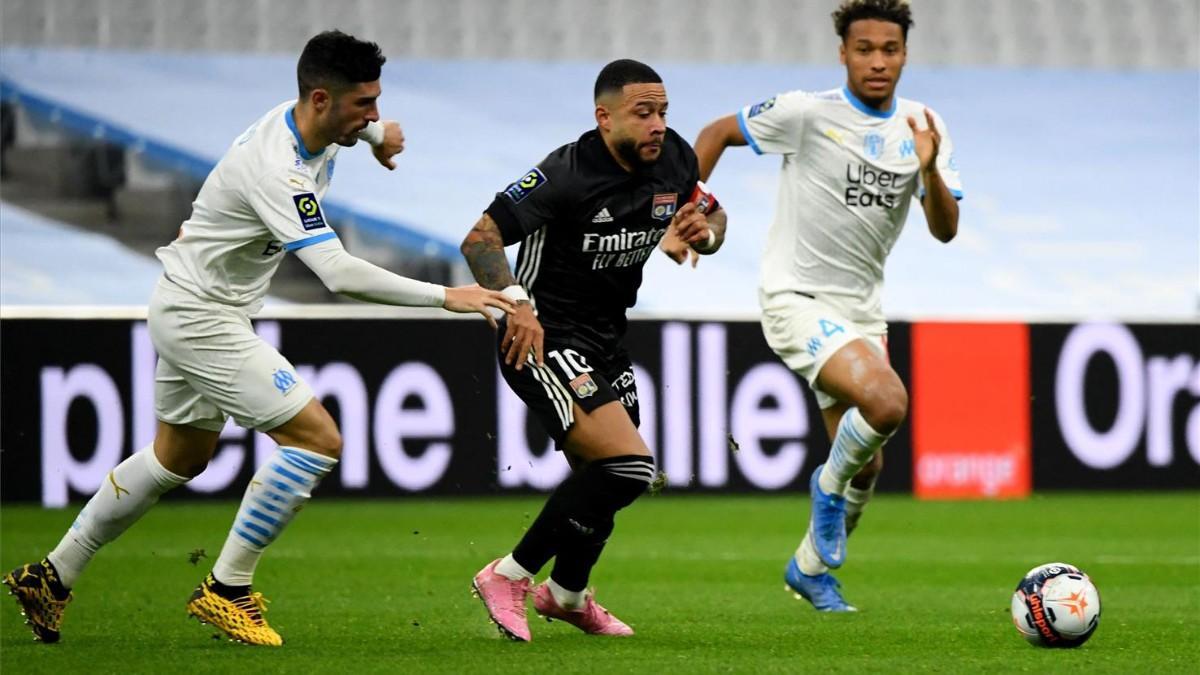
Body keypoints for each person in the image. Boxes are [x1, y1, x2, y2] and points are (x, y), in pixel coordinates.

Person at [3, 30, 514, 646]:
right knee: (318, 439)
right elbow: (337, 274)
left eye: (377, 101)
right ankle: (227, 588)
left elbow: (354, 126)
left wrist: (378, 137)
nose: (374, 113)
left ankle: (52, 576)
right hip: (202, 316)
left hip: (195, 303)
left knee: (178, 457)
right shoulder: (277, 168)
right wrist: (446, 297)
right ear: (322, 99)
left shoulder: (315, 122)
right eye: (365, 105)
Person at [668, 0, 962, 611]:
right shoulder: (806, 112)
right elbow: (716, 133)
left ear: (905, 54)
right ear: (843, 54)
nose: (877, 62)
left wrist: (929, 169)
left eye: (890, 50)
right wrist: (685, 206)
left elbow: (945, 229)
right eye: (864, 49)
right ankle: (824, 491)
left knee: (869, 468)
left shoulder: (923, 125)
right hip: (795, 297)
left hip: (862, 313)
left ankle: (808, 569)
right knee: (887, 401)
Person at [460, 59, 727, 641]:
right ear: (604, 118)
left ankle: (567, 594)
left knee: (600, 477)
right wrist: (516, 304)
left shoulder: (676, 157)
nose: (658, 124)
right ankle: (509, 575)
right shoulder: (566, 173)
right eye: (644, 113)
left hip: (606, 338)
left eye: (662, 112)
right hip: (544, 336)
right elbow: (479, 239)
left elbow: (713, 213)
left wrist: (705, 230)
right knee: (628, 466)